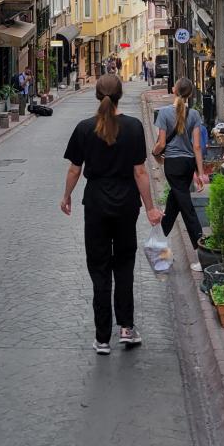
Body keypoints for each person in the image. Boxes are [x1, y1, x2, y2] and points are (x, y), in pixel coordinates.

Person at [61, 74, 162, 354]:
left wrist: (66, 196)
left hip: (96, 204)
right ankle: (127, 328)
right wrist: (151, 207)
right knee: (125, 265)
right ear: (120, 95)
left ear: (97, 95)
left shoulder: (84, 128)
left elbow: (74, 169)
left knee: (100, 269)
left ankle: (102, 337)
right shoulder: (133, 127)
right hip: (126, 204)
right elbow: (140, 172)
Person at [152, 77, 206, 272]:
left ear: (174, 90)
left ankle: (203, 255)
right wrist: (200, 172)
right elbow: (197, 146)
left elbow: (161, 143)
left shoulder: (164, 113)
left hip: (173, 165)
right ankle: (159, 251)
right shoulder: (195, 114)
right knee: (173, 205)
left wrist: (154, 152)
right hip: (187, 164)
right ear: (190, 94)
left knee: (186, 209)